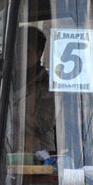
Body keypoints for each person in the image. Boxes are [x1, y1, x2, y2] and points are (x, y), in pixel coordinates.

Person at [9, 25, 56, 158]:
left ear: (39, 54)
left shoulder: (47, 84)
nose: (20, 55)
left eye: (27, 51)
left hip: (39, 155)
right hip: (9, 150)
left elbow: (40, 124)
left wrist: (8, 112)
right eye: (18, 50)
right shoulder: (7, 79)